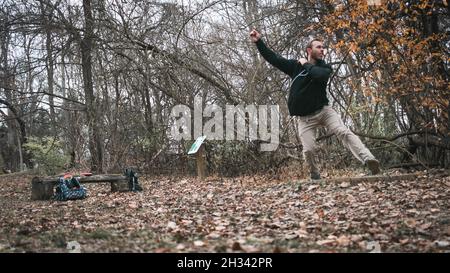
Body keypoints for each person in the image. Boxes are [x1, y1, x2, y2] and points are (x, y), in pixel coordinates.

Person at [250, 29, 380, 179]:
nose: (322, 50)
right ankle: (314, 174)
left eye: (323, 48)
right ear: (309, 50)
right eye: (318, 47)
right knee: (308, 150)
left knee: (343, 131)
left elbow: (318, 75)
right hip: (305, 118)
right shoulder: (294, 67)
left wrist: (305, 64)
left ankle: (369, 159)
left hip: (324, 112)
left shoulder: (325, 68)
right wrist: (259, 42)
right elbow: (273, 58)